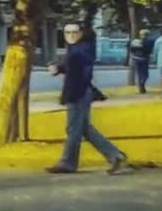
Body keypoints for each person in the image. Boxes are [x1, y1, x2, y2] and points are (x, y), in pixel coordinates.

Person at [45, 22, 129, 174]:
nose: (71, 35)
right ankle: (115, 155)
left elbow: (84, 71)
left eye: (74, 32)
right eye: (67, 32)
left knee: (73, 129)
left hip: (79, 92)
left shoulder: (81, 49)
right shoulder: (77, 48)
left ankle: (67, 163)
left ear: (81, 33)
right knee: (84, 129)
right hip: (80, 91)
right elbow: (73, 68)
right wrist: (59, 68)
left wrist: (73, 92)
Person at [129, 29, 154, 94]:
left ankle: (141, 86)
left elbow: (131, 50)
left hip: (137, 59)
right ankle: (142, 83)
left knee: (139, 73)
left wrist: (133, 56)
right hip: (145, 59)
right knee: (145, 74)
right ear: (147, 35)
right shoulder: (149, 42)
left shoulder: (135, 41)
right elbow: (150, 51)